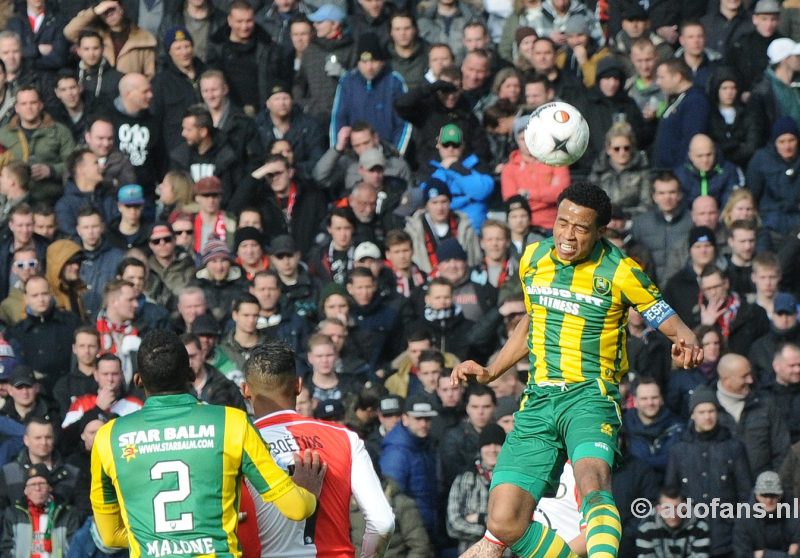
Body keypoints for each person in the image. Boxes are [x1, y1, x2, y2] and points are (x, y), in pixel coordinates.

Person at [451, 181, 703, 558]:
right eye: (562, 222)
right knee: (503, 521)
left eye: (581, 228)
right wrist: (491, 372)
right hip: (538, 399)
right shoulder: (533, 258)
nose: (567, 235)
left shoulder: (621, 271)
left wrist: (687, 348)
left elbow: (675, 327)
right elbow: (534, 320)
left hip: (590, 395)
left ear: (600, 232)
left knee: (591, 484)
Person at [90, 329, 324, 554]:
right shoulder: (232, 422)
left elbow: (109, 536)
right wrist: (309, 494)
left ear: (138, 379)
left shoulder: (108, 437)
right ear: (191, 373)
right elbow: (297, 508)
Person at [240, 340, 395, 557]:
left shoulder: (234, 442)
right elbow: (383, 522)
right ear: (298, 386)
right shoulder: (345, 438)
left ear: (245, 390)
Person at [635, 486, 711, 557]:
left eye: (676, 507)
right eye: (667, 508)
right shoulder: (646, 528)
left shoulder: (700, 525)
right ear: (658, 509)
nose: (672, 514)